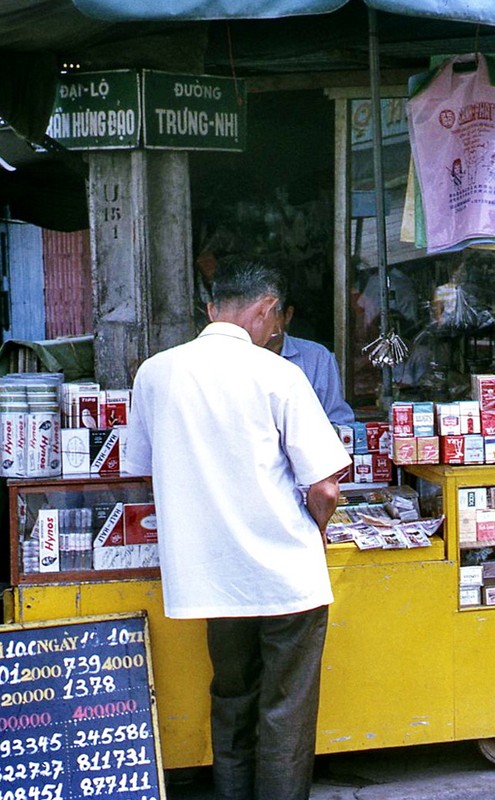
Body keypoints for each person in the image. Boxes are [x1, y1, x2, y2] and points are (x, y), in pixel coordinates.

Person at [124, 257, 351, 800]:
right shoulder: (278, 373)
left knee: (231, 698)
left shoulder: (155, 372)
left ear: (211, 310)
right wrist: (315, 530)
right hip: (284, 577)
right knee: (285, 710)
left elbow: (139, 471)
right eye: (276, 323)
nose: (277, 333)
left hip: (212, 578)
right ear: (267, 309)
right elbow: (324, 486)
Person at [265, 300, 355, 425]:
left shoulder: (317, 357)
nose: (261, 324)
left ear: (288, 315)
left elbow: (338, 420)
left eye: (269, 314)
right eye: (254, 317)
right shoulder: (235, 357)